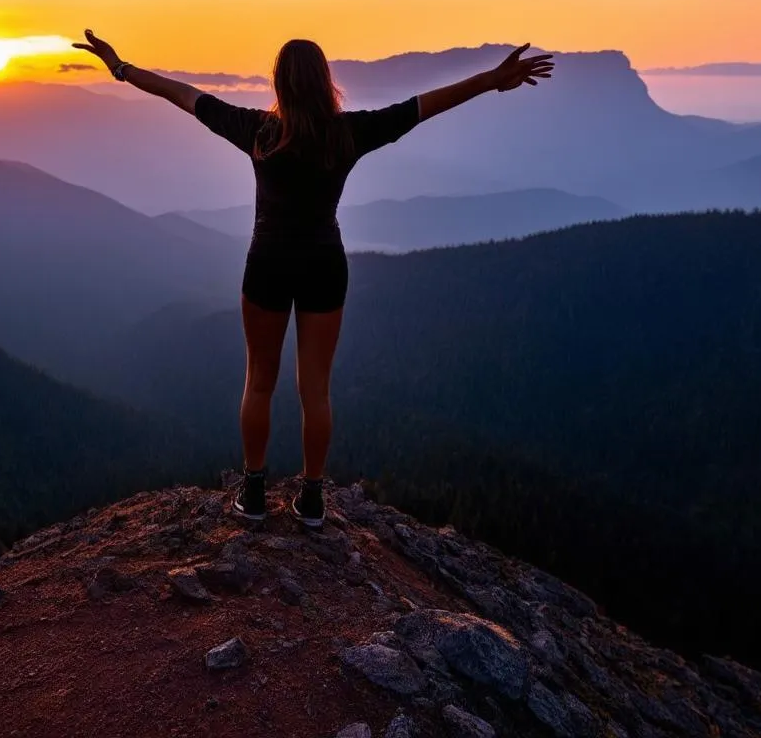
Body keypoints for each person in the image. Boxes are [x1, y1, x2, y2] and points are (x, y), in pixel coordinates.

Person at [73, 30, 554, 527]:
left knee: (259, 381)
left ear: (279, 82)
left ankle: (254, 493)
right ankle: (312, 498)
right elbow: (424, 105)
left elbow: (181, 93)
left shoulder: (257, 131)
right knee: (316, 389)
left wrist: (120, 67)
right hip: (325, 264)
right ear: (325, 82)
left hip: (268, 263)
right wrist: (492, 80)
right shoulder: (348, 134)